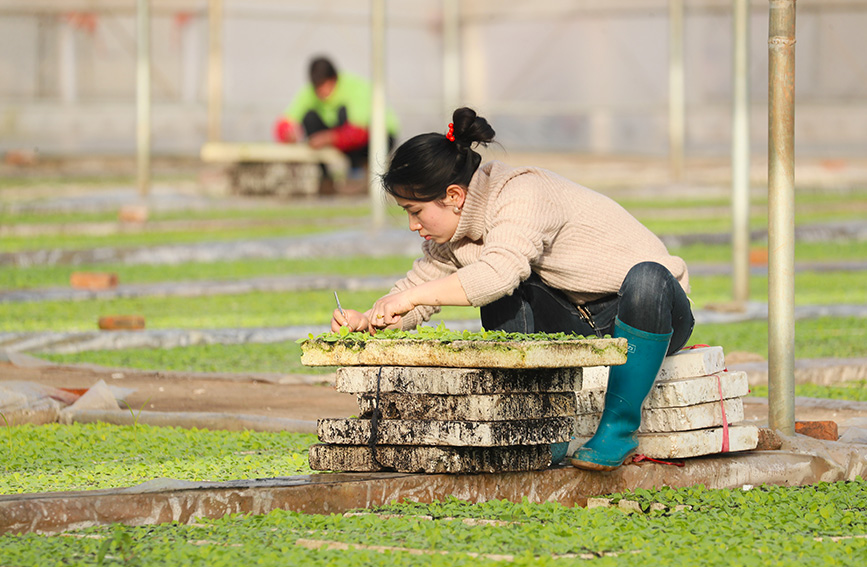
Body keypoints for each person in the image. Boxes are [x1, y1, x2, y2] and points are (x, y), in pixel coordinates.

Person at [331, 107, 695, 472]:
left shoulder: (522, 192)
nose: (413, 225)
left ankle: (618, 427)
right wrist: (370, 319)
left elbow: (499, 273)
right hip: (580, 320)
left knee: (646, 278)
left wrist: (410, 297)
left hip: (651, 314)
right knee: (500, 296)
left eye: (415, 211)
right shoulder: (453, 235)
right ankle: (541, 427)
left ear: (454, 195)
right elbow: (419, 288)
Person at [273, 56, 399, 169]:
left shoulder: (355, 88)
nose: (321, 92)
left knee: (342, 114)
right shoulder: (310, 92)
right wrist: (288, 134)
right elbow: (285, 120)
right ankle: (324, 176)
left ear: (334, 79)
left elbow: (359, 133)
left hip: (380, 137)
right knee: (309, 117)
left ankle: (358, 170)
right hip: (343, 137)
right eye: (318, 87)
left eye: (324, 86)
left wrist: (328, 138)